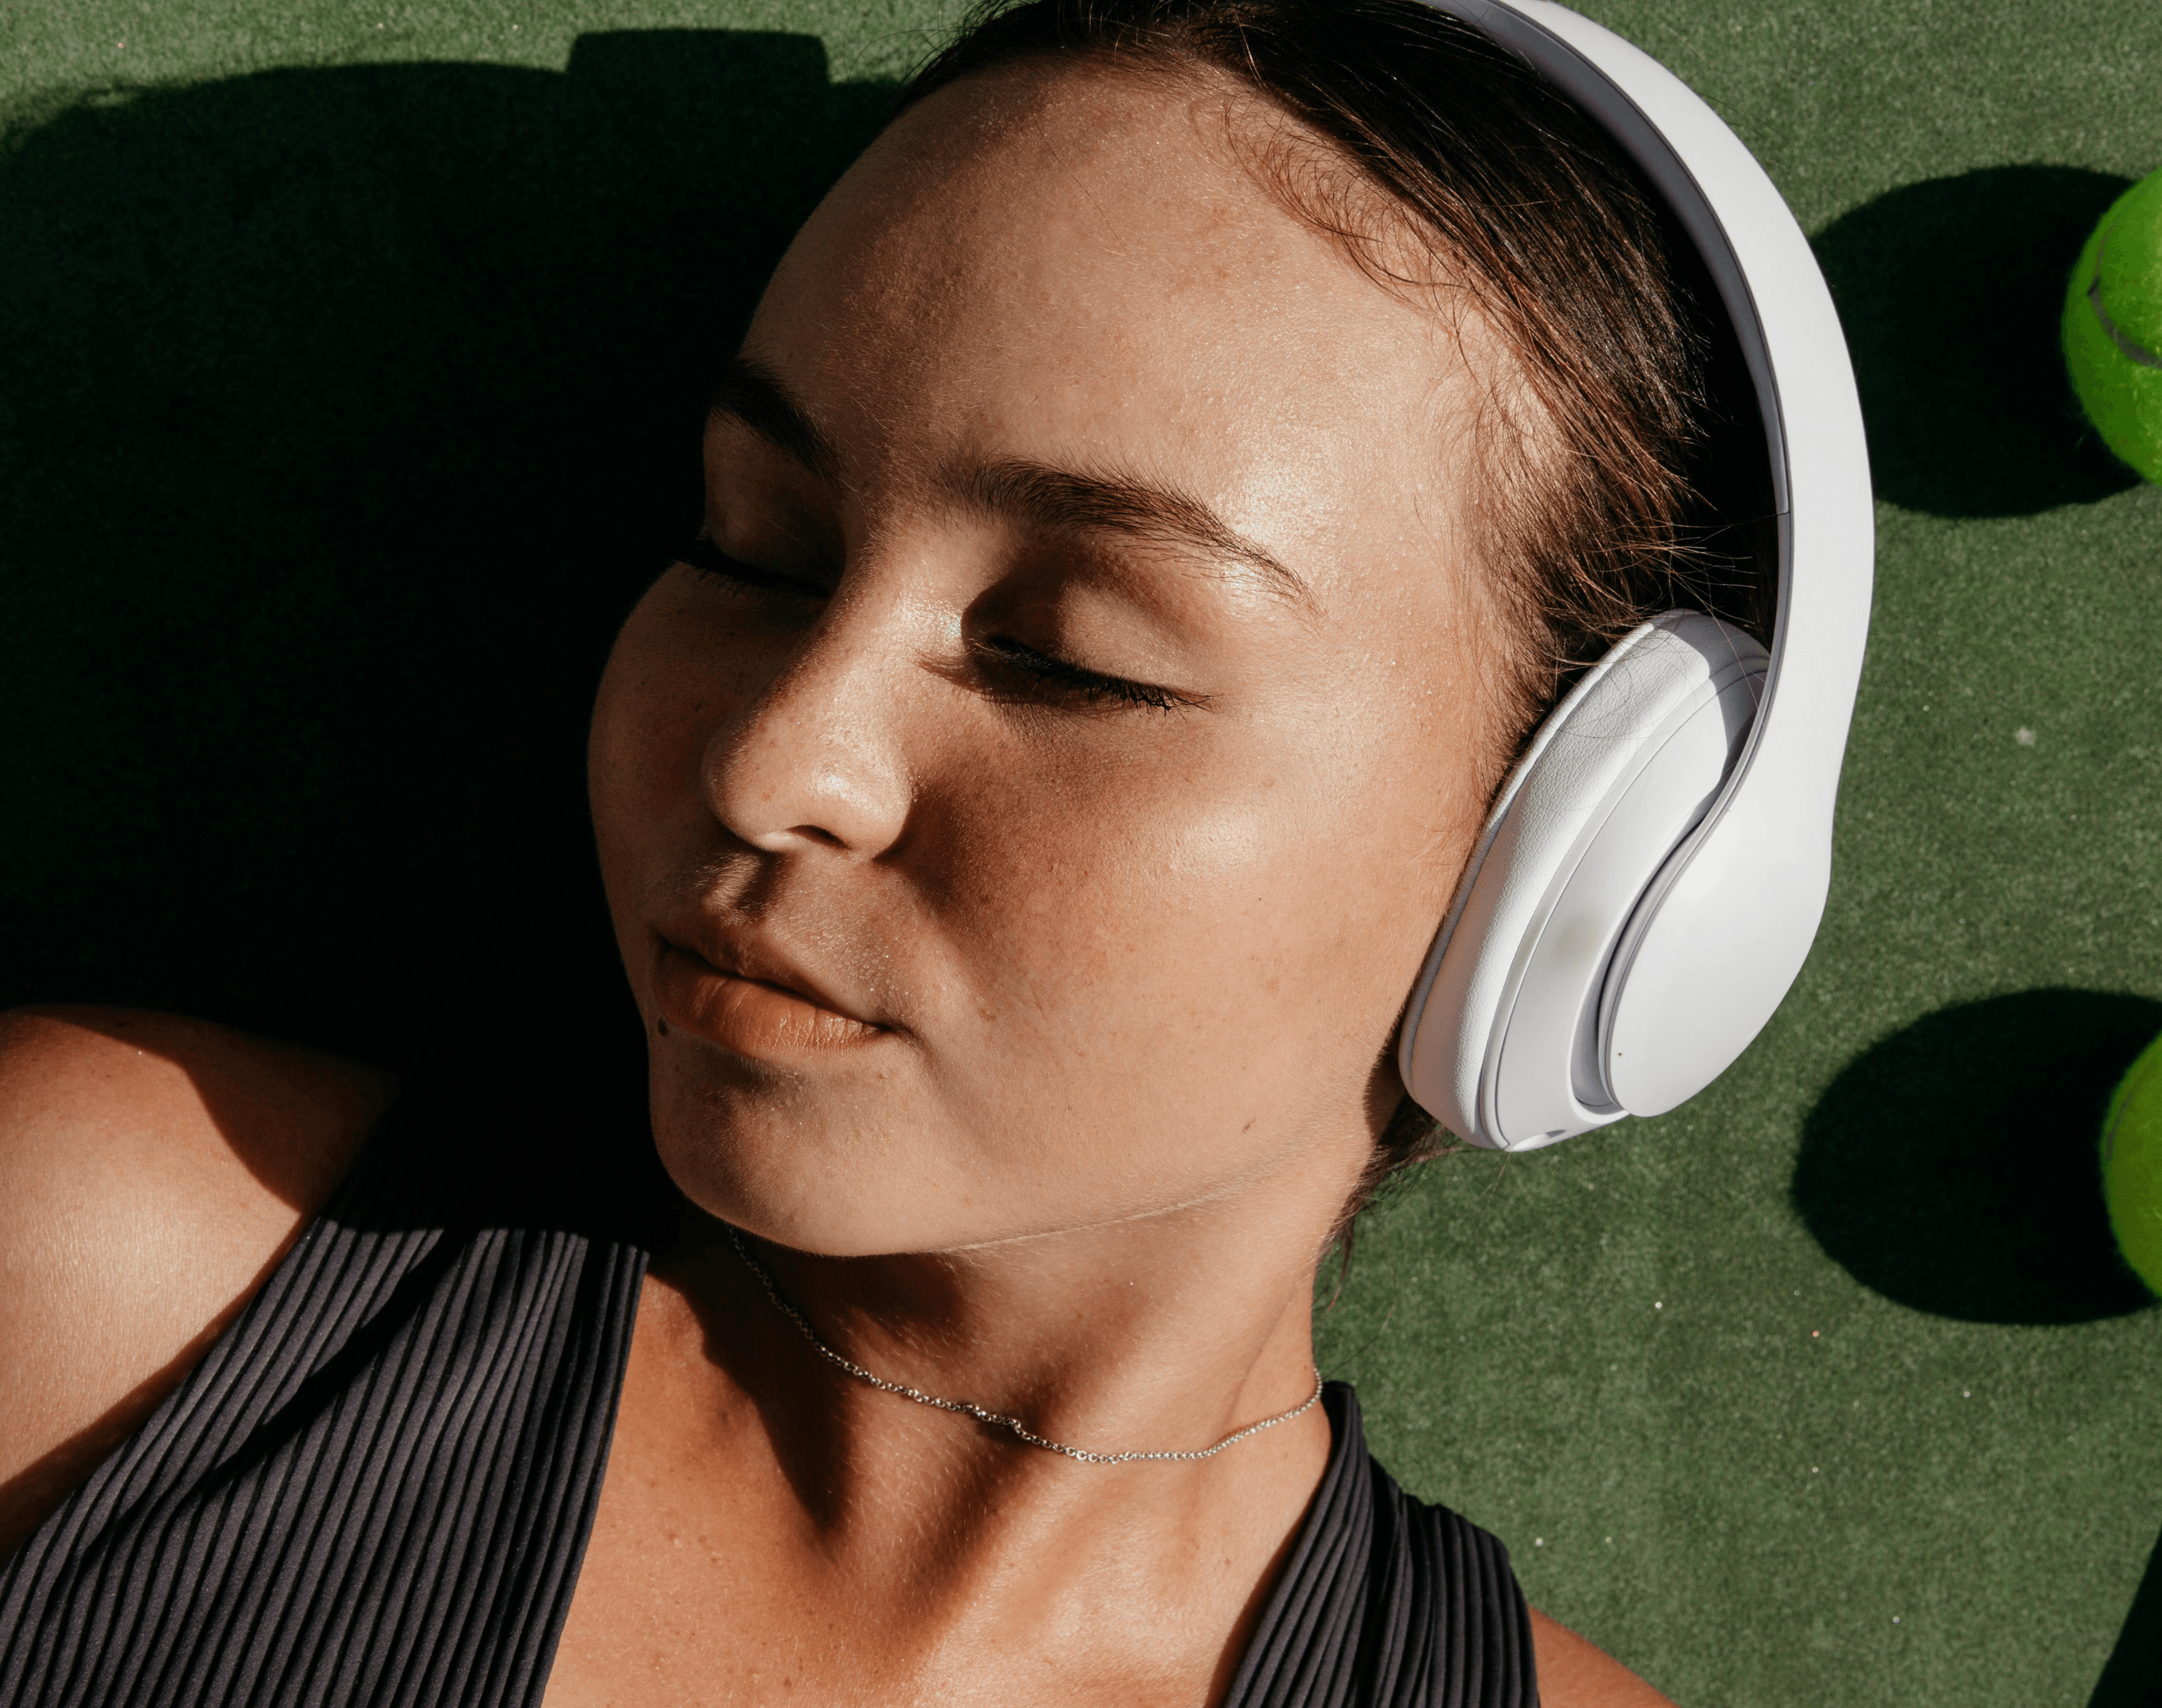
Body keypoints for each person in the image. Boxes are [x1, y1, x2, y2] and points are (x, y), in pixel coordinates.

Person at [0, 0, 1761, 1700]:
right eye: (755, 548)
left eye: (1073, 654)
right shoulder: (89, 1308)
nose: (775, 760)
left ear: (1582, 866)